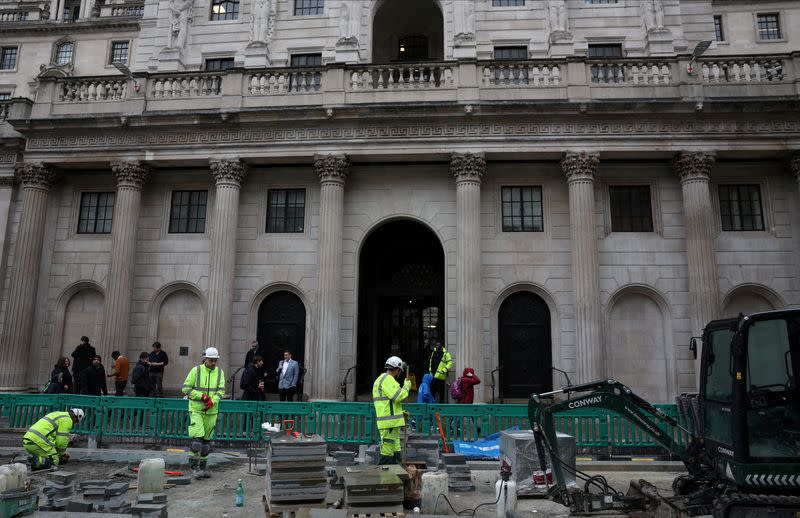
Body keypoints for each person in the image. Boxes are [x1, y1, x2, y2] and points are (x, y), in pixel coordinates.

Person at [181, 347, 226, 479]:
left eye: (215, 360)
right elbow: (185, 388)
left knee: (207, 443)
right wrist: (202, 397)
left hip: (211, 411)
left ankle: (202, 468)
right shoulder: (196, 371)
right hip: (196, 409)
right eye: (211, 360)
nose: (213, 363)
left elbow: (221, 390)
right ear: (205, 359)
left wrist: (213, 400)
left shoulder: (219, 373)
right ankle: (194, 468)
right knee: (197, 440)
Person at [372, 356, 411, 464]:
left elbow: (388, 404)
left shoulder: (381, 380)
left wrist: (401, 414)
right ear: (397, 369)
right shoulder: (387, 379)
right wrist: (406, 386)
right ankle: (385, 477)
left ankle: (396, 476)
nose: (399, 373)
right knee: (388, 452)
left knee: (396, 450)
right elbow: (398, 396)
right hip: (389, 424)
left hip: (390, 423)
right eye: (399, 371)